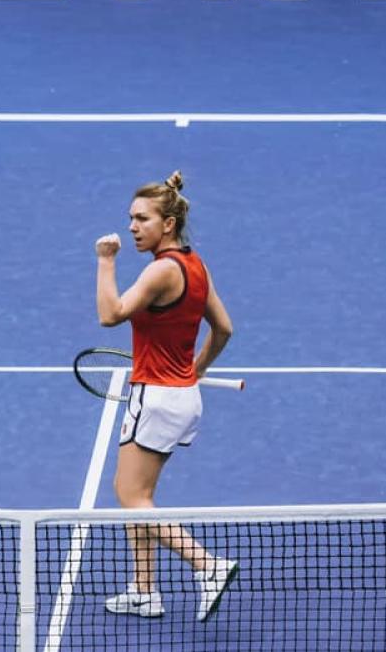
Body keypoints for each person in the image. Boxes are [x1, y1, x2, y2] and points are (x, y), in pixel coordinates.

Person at [94, 170, 238, 622]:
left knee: (130, 496)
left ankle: (208, 565)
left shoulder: (158, 272)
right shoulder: (196, 265)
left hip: (154, 399)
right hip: (182, 399)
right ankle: (143, 590)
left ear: (168, 224)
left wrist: (105, 260)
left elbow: (110, 315)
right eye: (130, 219)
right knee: (142, 494)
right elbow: (224, 330)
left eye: (142, 219)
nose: (133, 227)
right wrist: (193, 372)